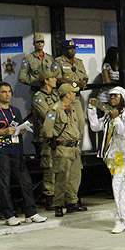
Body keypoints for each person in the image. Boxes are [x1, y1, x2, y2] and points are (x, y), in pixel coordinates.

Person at [87, 87, 125, 234]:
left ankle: (120, 220)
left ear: (122, 98)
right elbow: (95, 126)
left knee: (118, 186)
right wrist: (91, 110)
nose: (112, 98)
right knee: (123, 188)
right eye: (111, 96)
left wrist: (117, 119)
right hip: (114, 158)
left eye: (115, 96)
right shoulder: (108, 115)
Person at [0, 82, 47, 226]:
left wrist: (22, 129)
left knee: (25, 181)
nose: (7, 94)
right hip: (2, 151)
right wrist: (3, 131)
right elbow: (5, 130)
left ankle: (31, 213)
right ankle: (9, 215)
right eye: (3, 92)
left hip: (16, 151)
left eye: (9, 91)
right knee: (4, 183)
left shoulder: (15, 111)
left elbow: (17, 127)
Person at [42, 83, 87, 217]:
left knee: (75, 176)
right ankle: (59, 204)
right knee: (62, 176)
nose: (75, 94)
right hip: (63, 147)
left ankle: (72, 202)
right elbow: (47, 128)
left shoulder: (72, 109)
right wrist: (53, 140)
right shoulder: (55, 109)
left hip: (74, 147)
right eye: (73, 92)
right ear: (67, 94)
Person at [32, 70, 60, 209]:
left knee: (59, 166)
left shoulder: (55, 95)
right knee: (49, 167)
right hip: (46, 137)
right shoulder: (39, 98)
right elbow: (47, 114)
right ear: (45, 81)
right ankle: (49, 197)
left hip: (59, 134)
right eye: (52, 78)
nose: (55, 80)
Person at [18, 33, 58, 101]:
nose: (40, 44)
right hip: (36, 90)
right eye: (38, 42)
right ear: (34, 44)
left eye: (42, 42)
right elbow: (22, 78)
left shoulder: (50, 58)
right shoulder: (28, 58)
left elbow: (56, 73)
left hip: (50, 91)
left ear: (44, 43)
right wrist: (36, 82)